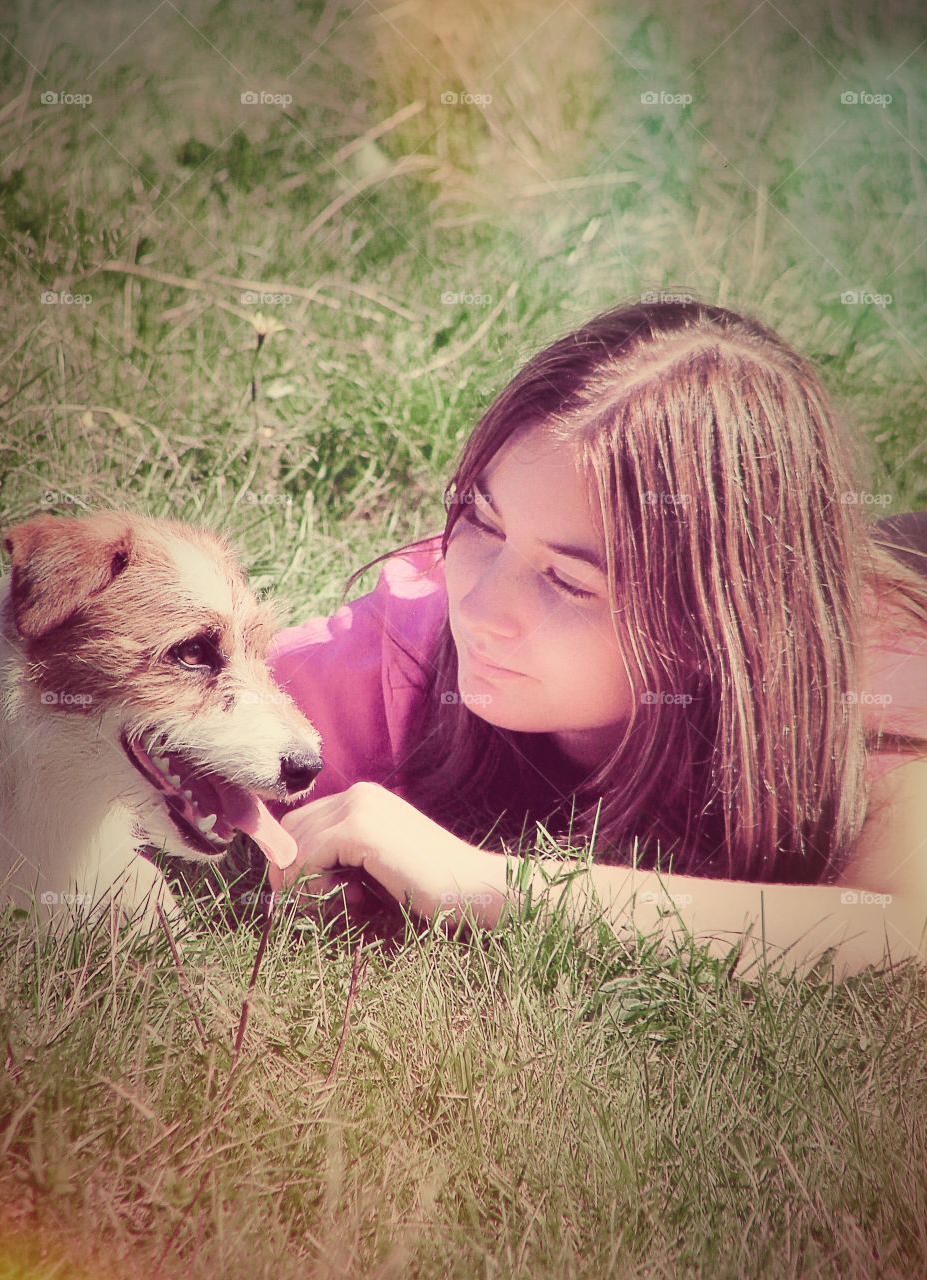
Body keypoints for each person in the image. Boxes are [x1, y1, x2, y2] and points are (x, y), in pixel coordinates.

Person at [263, 298, 927, 983]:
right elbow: (202, 710)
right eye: (484, 521)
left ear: (717, 626)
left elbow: (901, 932)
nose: (481, 607)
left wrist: (483, 885)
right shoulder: (393, 656)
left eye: (570, 581)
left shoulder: (868, 679)